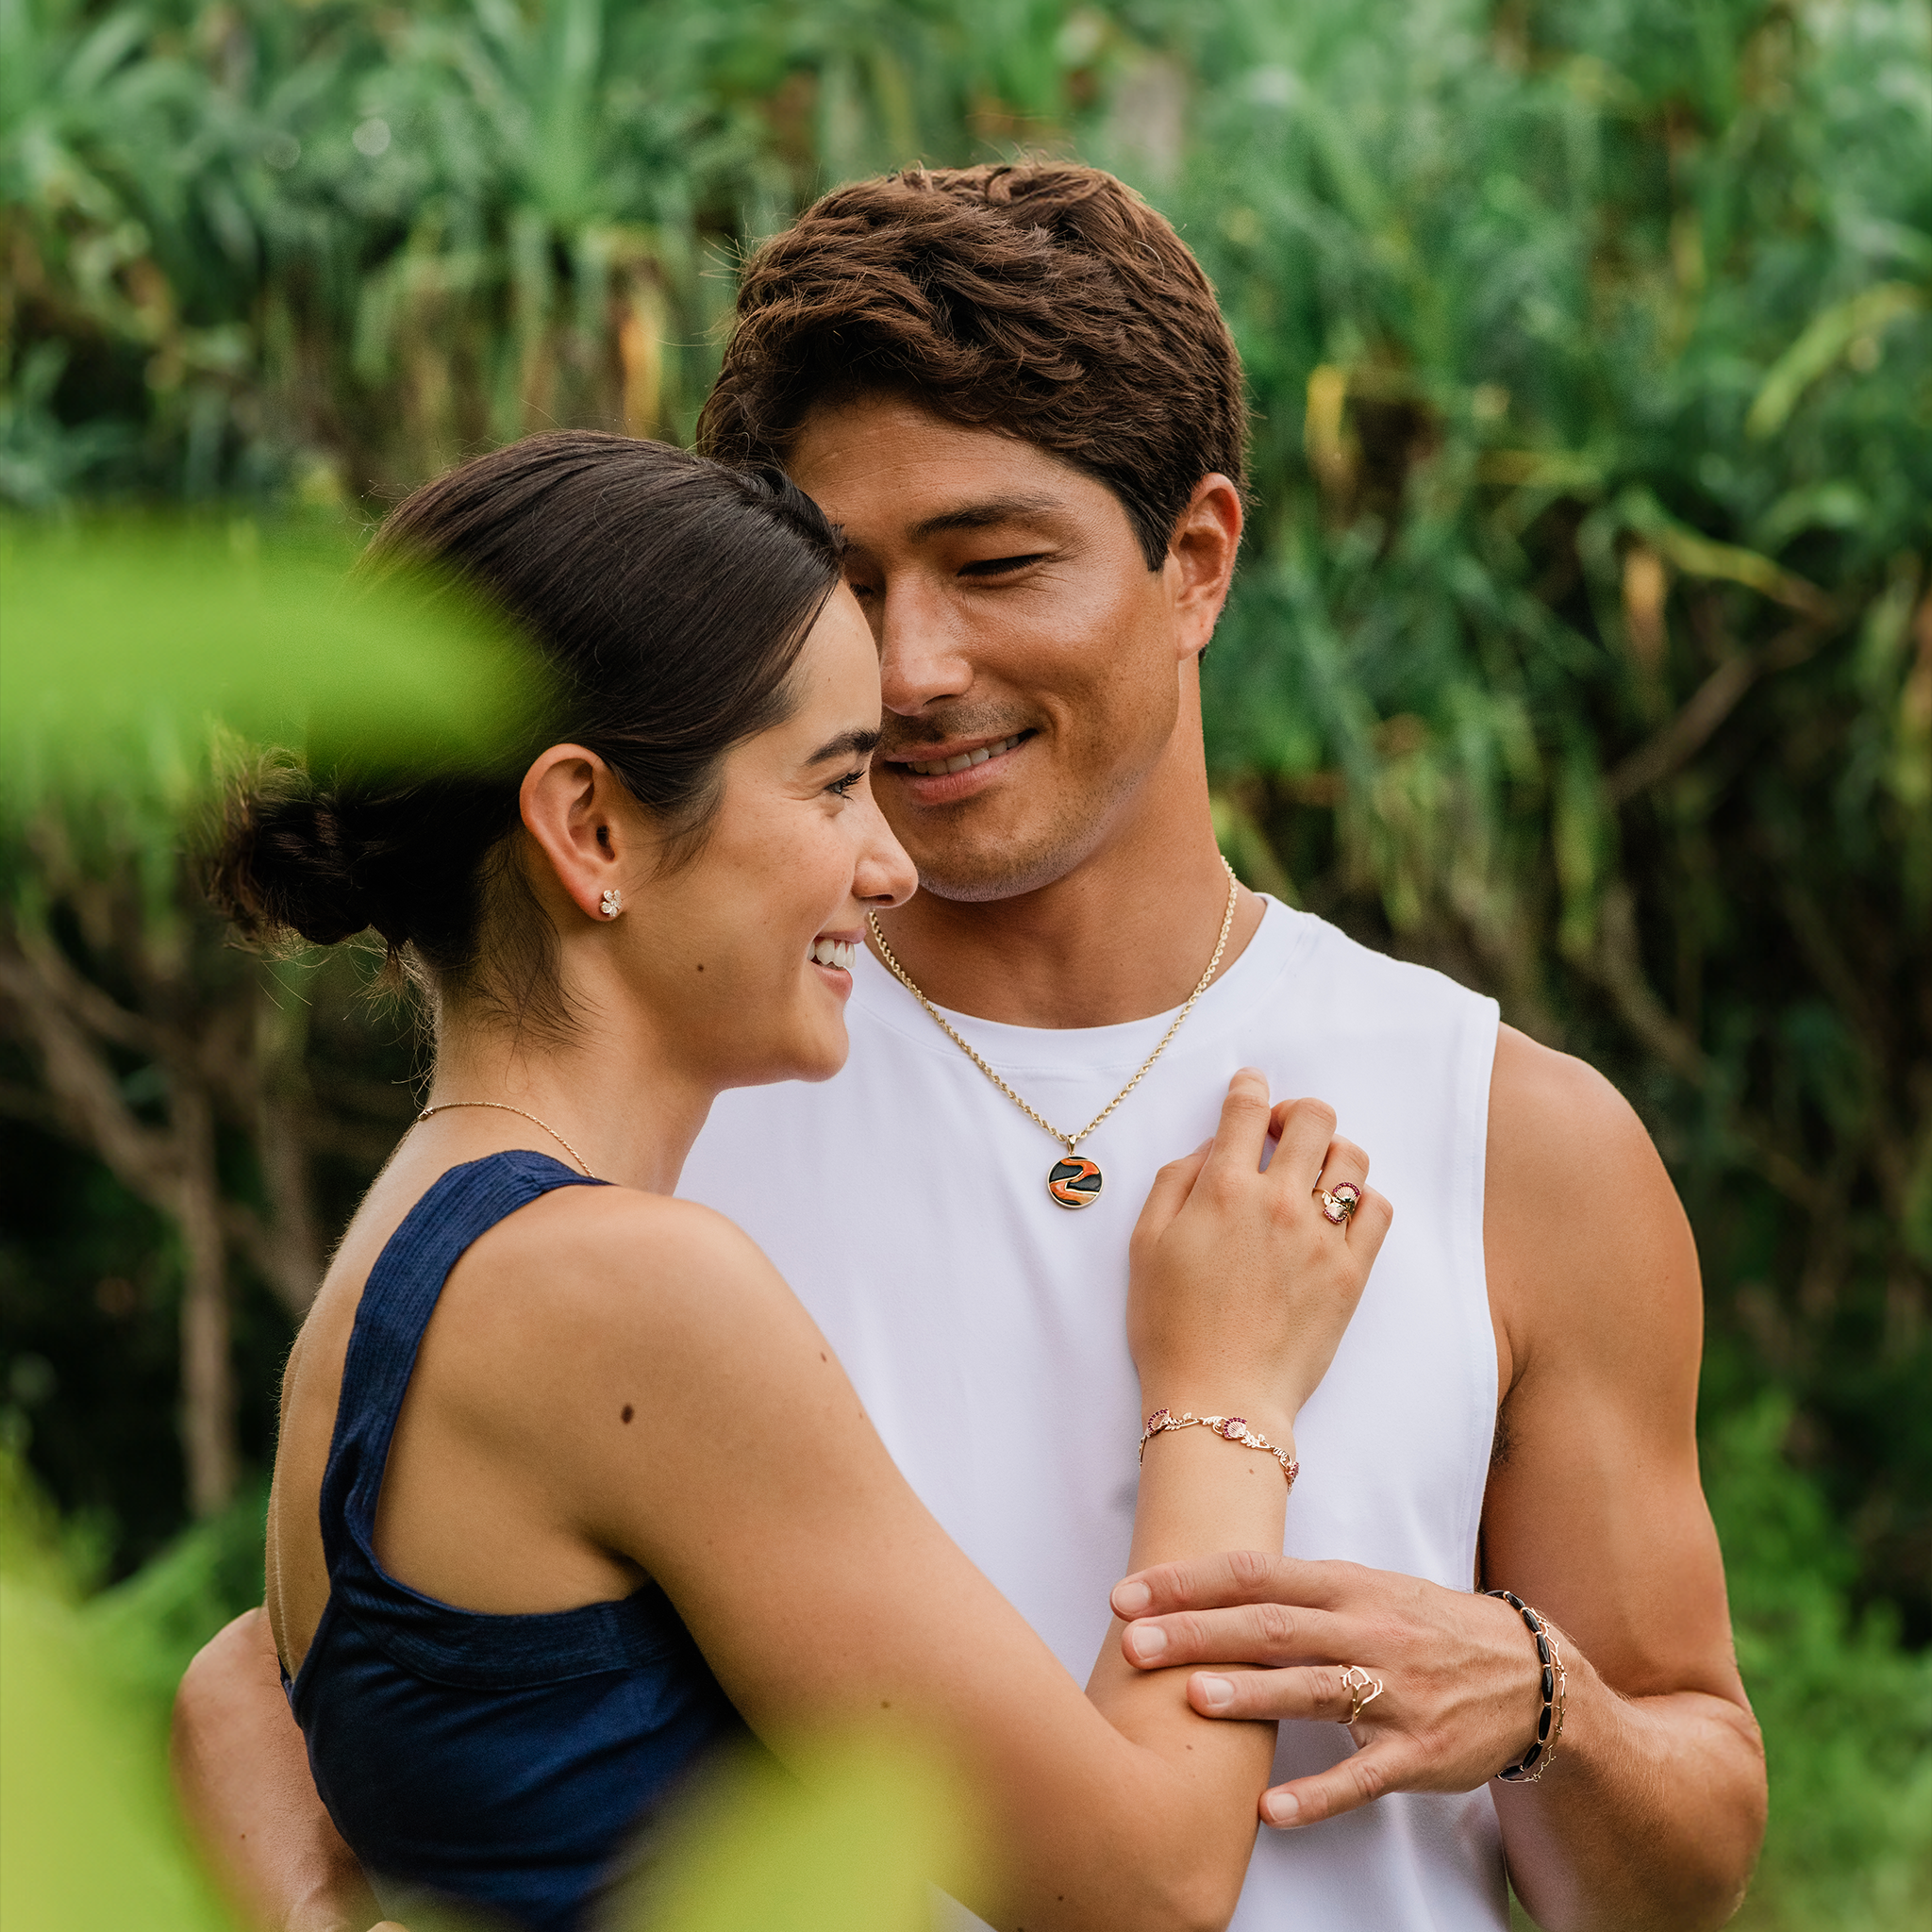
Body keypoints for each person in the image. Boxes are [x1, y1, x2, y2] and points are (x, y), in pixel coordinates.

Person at [175, 165, 1768, 1930]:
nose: (916, 664)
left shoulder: (1511, 1135)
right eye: (846, 583)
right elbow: (309, 1667)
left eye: (996, 564)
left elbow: (1686, 1836)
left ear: (1198, 563)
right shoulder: (685, 1102)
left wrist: (1539, 1701)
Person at [190, 429, 1394, 1932]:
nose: (890, 867)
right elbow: (1143, 1886)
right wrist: (1230, 1392)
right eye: (833, 787)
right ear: (594, 826)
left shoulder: (406, 1259)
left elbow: (241, 1689)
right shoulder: (621, 1287)